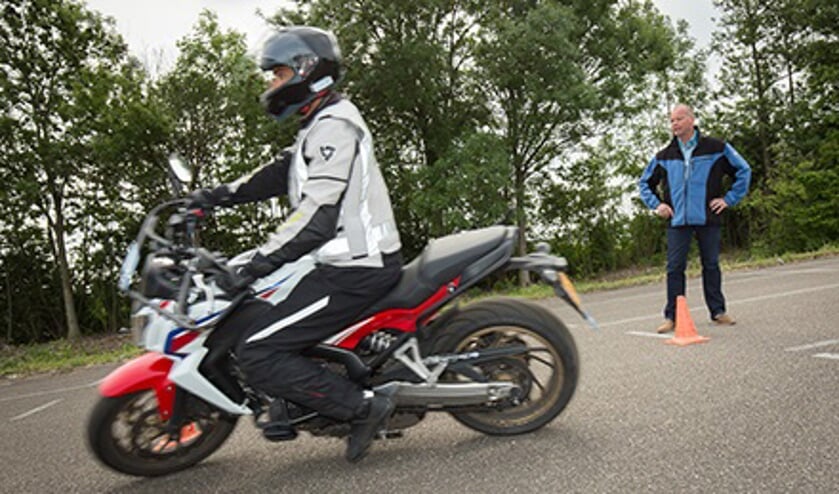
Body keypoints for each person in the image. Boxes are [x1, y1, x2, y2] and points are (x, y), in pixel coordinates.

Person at [189, 26, 403, 462]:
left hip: (354, 270)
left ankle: (363, 408)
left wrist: (256, 264)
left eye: (278, 74)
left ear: (306, 71)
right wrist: (214, 196)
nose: (272, 85)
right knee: (262, 316)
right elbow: (277, 174)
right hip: (339, 263)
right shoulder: (320, 125)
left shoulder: (334, 127)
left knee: (259, 350)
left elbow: (316, 217)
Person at [638, 104, 751, 334]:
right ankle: (672, 316)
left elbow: (744, 170)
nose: (674, 124)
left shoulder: (717, 148)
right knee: (674, 268)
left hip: (708, 217)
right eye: (671, 120)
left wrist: (729, 199)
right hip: (677, 220)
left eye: (679, 119)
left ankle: (718, 311)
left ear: (691, 120)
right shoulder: (664, 155)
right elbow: (644, 183)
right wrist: (657, 204)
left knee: (711, 264)